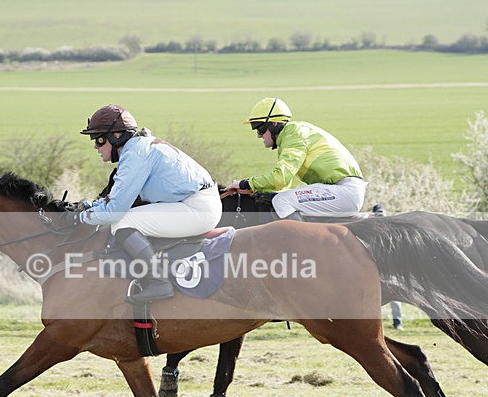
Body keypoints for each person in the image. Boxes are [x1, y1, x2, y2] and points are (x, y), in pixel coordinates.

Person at [78, 104, 221, 304]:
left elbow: (114, 212)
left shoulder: (135, 154)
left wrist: (80, 217)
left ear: (116, 136)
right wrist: (89, 207)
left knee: (122, 222)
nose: (95, 146)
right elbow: (116, 198)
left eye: (98, 139)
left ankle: (158, 282)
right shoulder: (137, 148)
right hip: (194, 203)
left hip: (197, 208)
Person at [224, 97, 366, 220]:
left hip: (344, 191)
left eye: (260, 129)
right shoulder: (289, 137)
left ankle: (299, 241)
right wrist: (257, 191)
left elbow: (280, 179)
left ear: (274, 124)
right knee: (283, 197)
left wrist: (245, 184)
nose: (258, 135)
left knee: (282, 201)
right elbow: (283, 185)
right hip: (338, 190)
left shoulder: (293, 134)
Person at [373, 203, 404, 330]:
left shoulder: (392, 230)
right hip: (375, 268)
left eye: (382, 213)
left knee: (395, 296)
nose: (381, 216)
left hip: (390, 268)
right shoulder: (370, 229)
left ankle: (397, 322)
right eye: (378, 214)